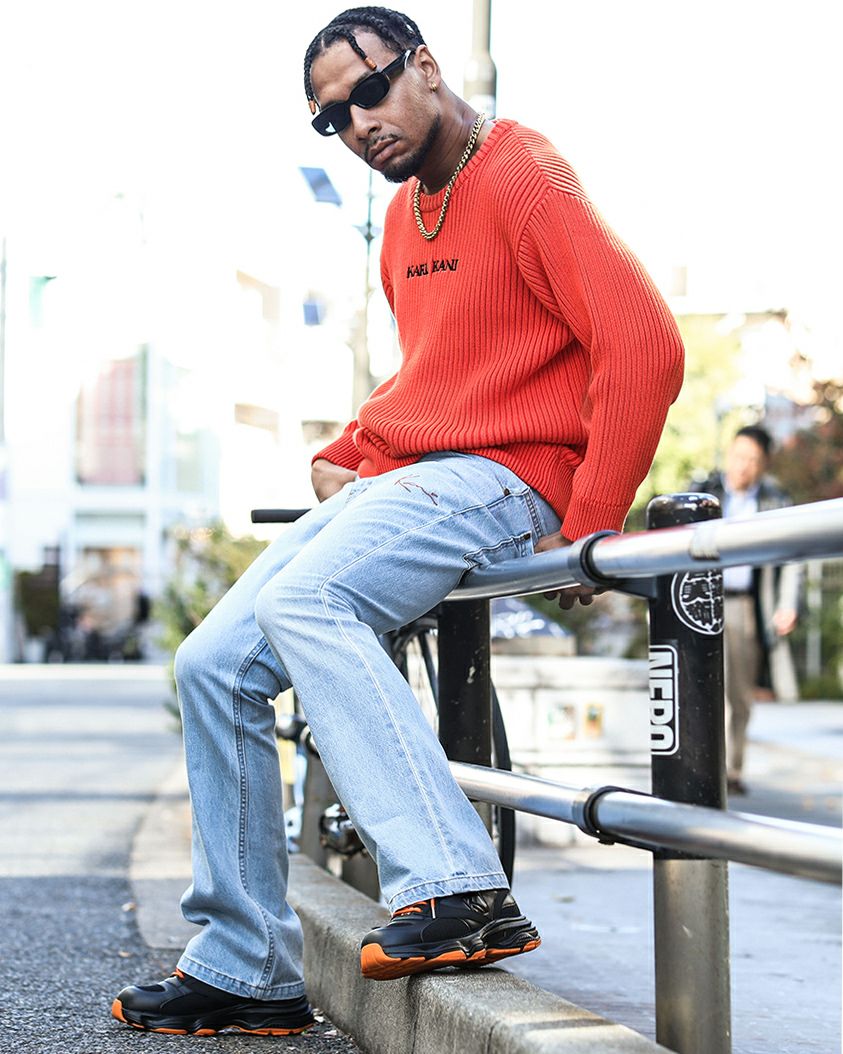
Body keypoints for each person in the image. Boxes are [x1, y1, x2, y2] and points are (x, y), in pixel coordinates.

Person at [112, 6, 684, 1037]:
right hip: (422, 478)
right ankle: (246, 965)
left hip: (512, 477)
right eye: (331, 118)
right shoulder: (406, 223)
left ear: (423, 64)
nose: (357, 124)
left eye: (368, 92)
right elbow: (441, 379)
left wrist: (591, 520)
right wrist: (355, 445)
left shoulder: (520, 173)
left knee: (306, 601)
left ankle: (458, 886)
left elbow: (642, 340)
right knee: (212, 663)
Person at [695, 425, 801, 795]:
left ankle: (732, 770)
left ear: (764, 464)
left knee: (739, 694)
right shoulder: (705, 492)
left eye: (752, 460)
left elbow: (791, 557)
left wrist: (787, 604)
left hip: (746, 605)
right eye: (738, 456)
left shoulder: (775, 500)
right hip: (704, 599)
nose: (742, 466)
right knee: (706, 687)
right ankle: (706, 766)